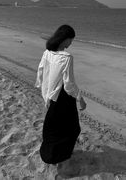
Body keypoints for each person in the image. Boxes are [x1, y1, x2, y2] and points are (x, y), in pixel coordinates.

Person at [35, 24, 87, 165]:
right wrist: (80, 98)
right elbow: (69, 84)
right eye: (71, 39)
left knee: (53, 128)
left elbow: (41, 72)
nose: (71, 43)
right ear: (64, 39)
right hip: (63, 97)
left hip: (52, 95)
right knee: (72, 128)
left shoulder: (48, 52)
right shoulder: (66, 57)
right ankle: (58, 156)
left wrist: (45, 93)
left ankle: (51, 154)